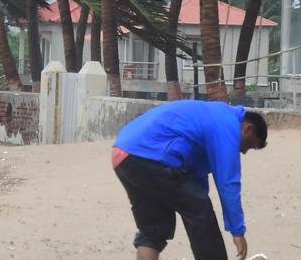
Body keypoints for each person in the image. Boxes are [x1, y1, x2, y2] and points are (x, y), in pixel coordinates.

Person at [112, 99, 268, 259]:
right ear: (248, 129)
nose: (244, 151)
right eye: (249, 145)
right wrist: (237, 231)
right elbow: (228, 183)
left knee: (153, 229)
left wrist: (199, 198)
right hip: (150, 156)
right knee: (201, 212)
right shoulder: (228, 125)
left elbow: (196, 176)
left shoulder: (213, 115)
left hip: (124, 155)